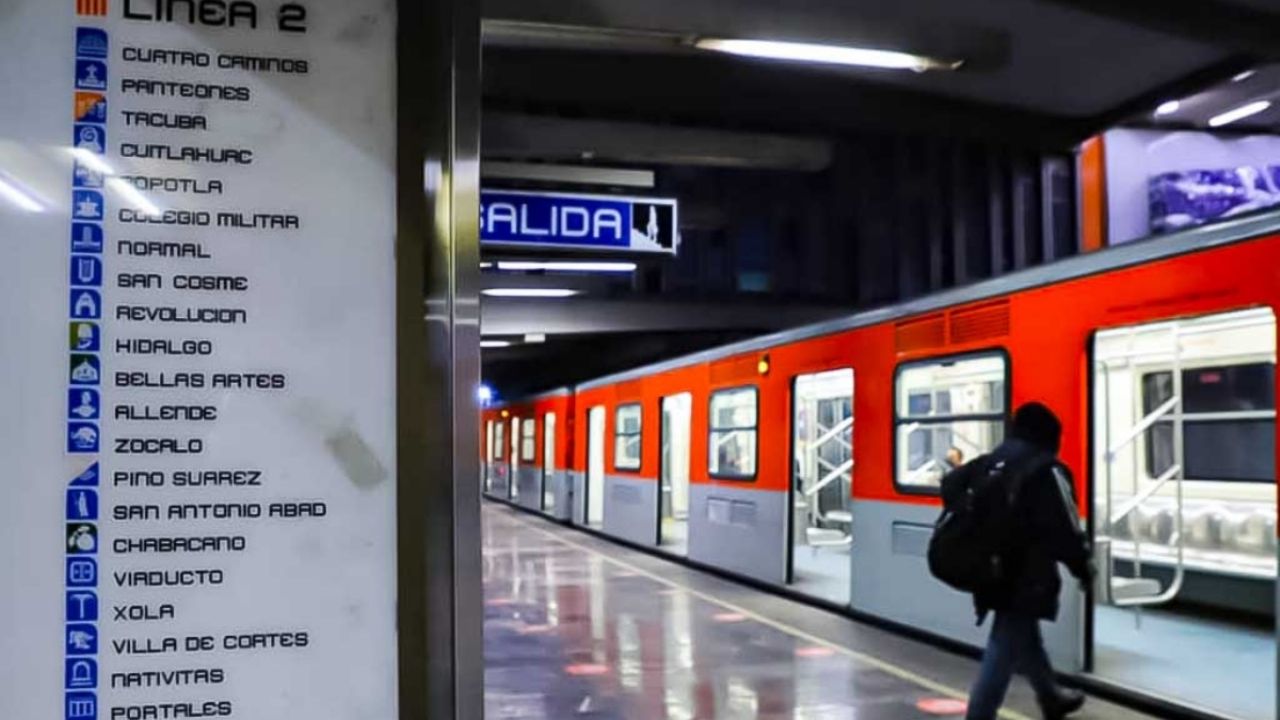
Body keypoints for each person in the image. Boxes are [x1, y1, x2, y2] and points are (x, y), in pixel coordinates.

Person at [962, 402, 1092, 720]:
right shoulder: (1047, 469)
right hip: (1027, 576)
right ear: (1050, 435)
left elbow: (958, 492)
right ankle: (978, 715)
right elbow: (1065, 527)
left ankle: (1050, 696)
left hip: (991, 570)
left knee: (1023, 634)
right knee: (1003, 645)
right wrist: (1083, 566)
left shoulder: (992, 461)